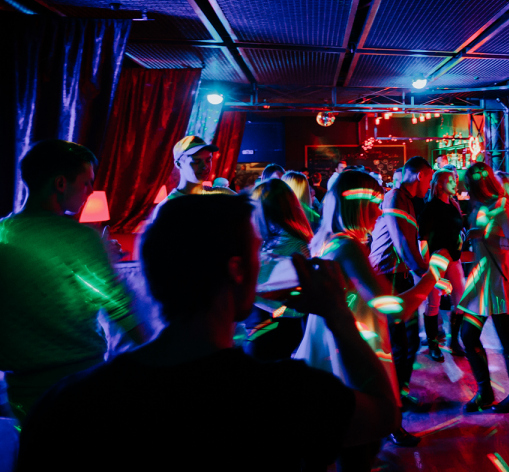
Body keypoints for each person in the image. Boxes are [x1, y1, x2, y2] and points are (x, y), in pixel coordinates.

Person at [17, 194, 399, 470]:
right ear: (236, 270)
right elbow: (383, 414)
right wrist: (337, 314)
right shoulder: (285, 395)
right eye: (256, 252)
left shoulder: (67, 403)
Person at [296, 170, 446, 462]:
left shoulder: (329, 241)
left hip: (334, 349)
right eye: (375, 203)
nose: (380, 212)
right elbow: (394, 310)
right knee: (358, 442)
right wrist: (433, 274)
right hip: (349, 356)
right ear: (357, 205)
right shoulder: (348, 247)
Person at [0, 140, 146, 422]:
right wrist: (153, 348)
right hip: (80, 378)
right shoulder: (79, 237)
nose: (90, 191)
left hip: (20, 385)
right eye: (86, 182)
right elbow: (117, 306)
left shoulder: (3, 233)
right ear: (60, 183)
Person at [368, 156, 435, 445]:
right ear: (419, 175)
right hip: (388, 277)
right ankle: (390, 419)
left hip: (400, 276)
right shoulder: (395, 197)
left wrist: (422, 273)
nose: (430, 184)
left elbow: (409, 244)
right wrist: (428, 276)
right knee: (396, 348)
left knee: (407, 344)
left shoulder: (406, 199)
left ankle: (397, 398)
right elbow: (403, 244)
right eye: (429, 178)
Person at [454, 162, 509, 413]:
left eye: (469, 185)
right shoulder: (479, 205)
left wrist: (484, 235)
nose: (467, 190)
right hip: (481, 279)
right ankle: (485, 392)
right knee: (468, 336)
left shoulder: (503, 205)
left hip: (497, 283)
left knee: (508, 340)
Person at [243, 179, 314, 361]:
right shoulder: (293, 239)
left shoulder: (287, 245)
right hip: (275, 324)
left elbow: (292, 305)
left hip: (273, 325)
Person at [419, 169, 467, 361]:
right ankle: (433, 345)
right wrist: (426, 266)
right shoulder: (430, 207)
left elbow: (458, 230)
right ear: (439, 185)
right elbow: (422, 238)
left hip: (454, 259)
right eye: (451, 181)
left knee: (460, 301)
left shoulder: (454, 205)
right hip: (436, 260)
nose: (455, 183)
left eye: (455, 180)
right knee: (433, 303)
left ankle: (454, 341)